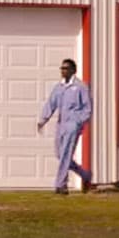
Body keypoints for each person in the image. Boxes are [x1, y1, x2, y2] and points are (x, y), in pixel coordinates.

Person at [36, 58, 93, 194]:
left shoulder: (80, 87)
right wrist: (43, 119)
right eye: (62, 68)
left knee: (66, 153)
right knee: (59, 154)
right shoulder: (59, 87)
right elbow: (51, 103)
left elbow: (87, 109)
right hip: (61, 124)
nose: (63, 71)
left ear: (73, 70)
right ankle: (85, 175)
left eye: (66, 68)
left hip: (73, 125)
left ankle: (61, 185)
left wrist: (78, 121)